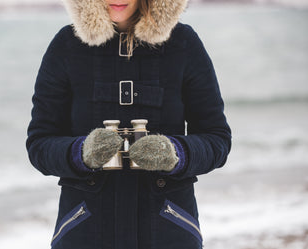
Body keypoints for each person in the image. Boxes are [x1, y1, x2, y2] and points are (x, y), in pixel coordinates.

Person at [26, 0, 232, 248]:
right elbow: (39, 144)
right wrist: (81, 153)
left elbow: (217, 139)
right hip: (84, 231)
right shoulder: (66, 45)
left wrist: (174, 154)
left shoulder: (184, 43)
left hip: (169, 230)